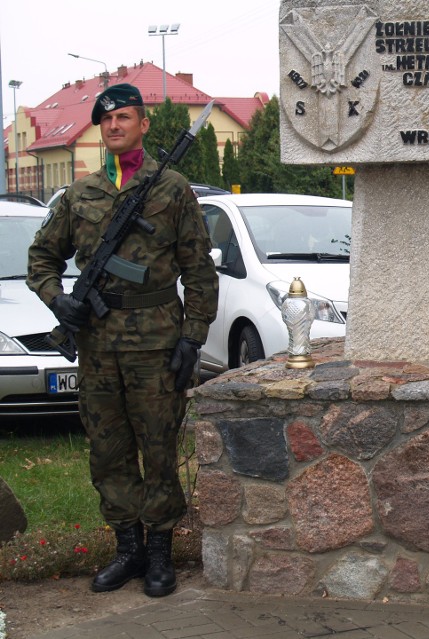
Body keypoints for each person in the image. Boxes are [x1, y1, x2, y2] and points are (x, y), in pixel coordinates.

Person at [27, 83, 218, 598]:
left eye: (125, 118)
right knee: (108, 452)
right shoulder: (79, 195)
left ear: (142, 124)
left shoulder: (171, 188)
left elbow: (199, 271)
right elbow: (41, 258)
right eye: (107, 120)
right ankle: (127, 549)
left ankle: (159, 552)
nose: (115, 127)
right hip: (96, 346)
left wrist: (192, 339)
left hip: (156, 344)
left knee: (157, 450)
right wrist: (57, 300)